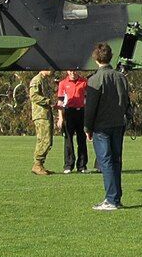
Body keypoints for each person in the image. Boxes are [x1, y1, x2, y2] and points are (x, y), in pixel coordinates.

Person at [84, 42, 132, 212]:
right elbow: (127, 101)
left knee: (106, 162)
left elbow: (90, 107)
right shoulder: (121, 77)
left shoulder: (95, 79)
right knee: (116, 161)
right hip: (118, 124)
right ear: (110, 57)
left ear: (95, 58)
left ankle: (111, 199)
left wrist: (87, 128)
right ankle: (116, 198)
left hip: (101, 127)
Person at [56, 69, 89, 174]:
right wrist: (60, 118)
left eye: (74, 71)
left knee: (82, 140)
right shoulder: (63, 83)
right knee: (68, 140)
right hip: (69, 113)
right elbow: (60, 102)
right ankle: (68, 165)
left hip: (81, 113)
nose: (72, 73)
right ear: (67, 71)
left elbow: (88, 98)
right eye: (70, 71)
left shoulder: (84, 82)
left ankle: (82, 165)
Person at [28, 69, 55, 176]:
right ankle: (37, 164)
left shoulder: (44, 80)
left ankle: (40, 164)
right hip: (41, 115)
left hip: (45, 114)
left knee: (46, 140)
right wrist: (48, 101)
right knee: (45, 140)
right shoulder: (37, 80)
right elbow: (33, 96)